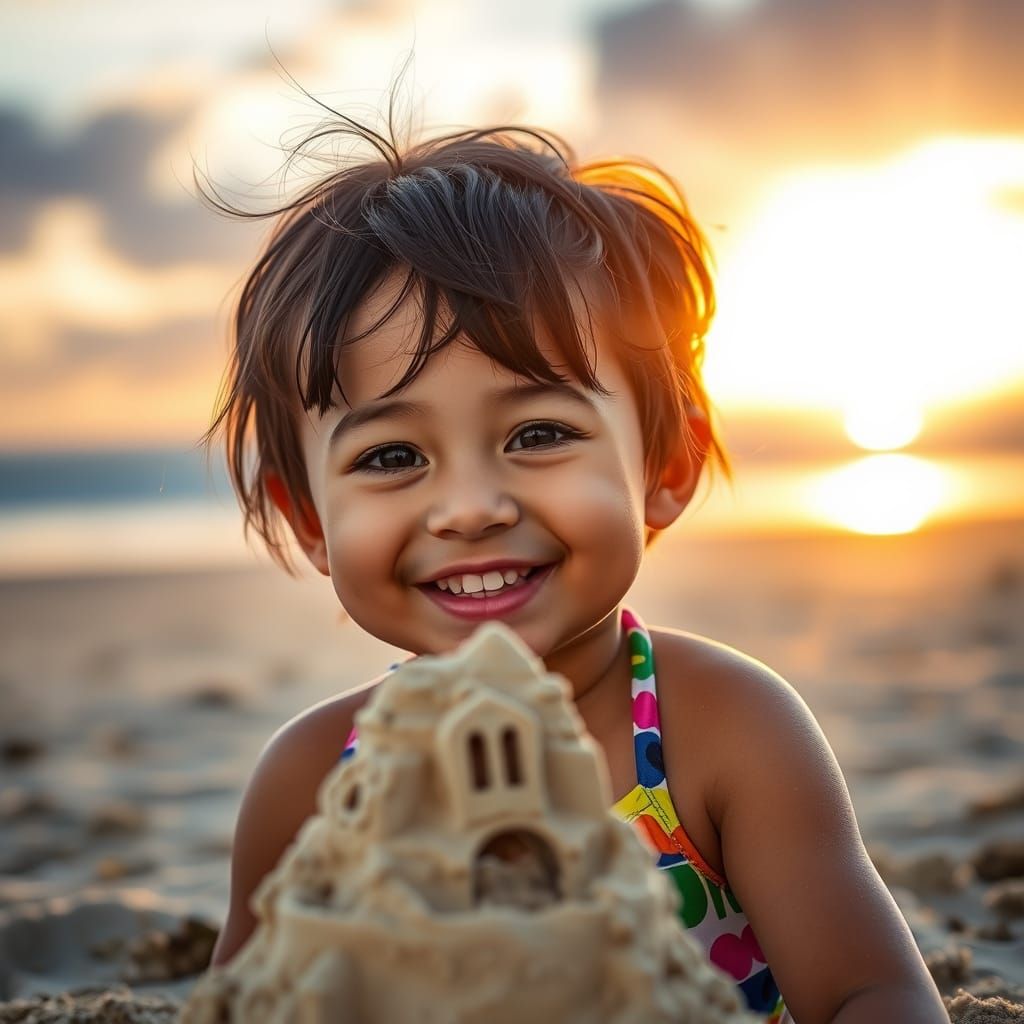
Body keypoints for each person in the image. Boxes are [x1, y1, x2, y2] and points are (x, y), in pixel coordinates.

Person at [201, 110, 947, 1022]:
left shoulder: (719, 731)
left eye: (539, 433)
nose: (471, 507)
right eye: (393, 456)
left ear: (665, 469)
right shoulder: (313, 781)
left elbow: (870, 995)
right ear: (311, 519)